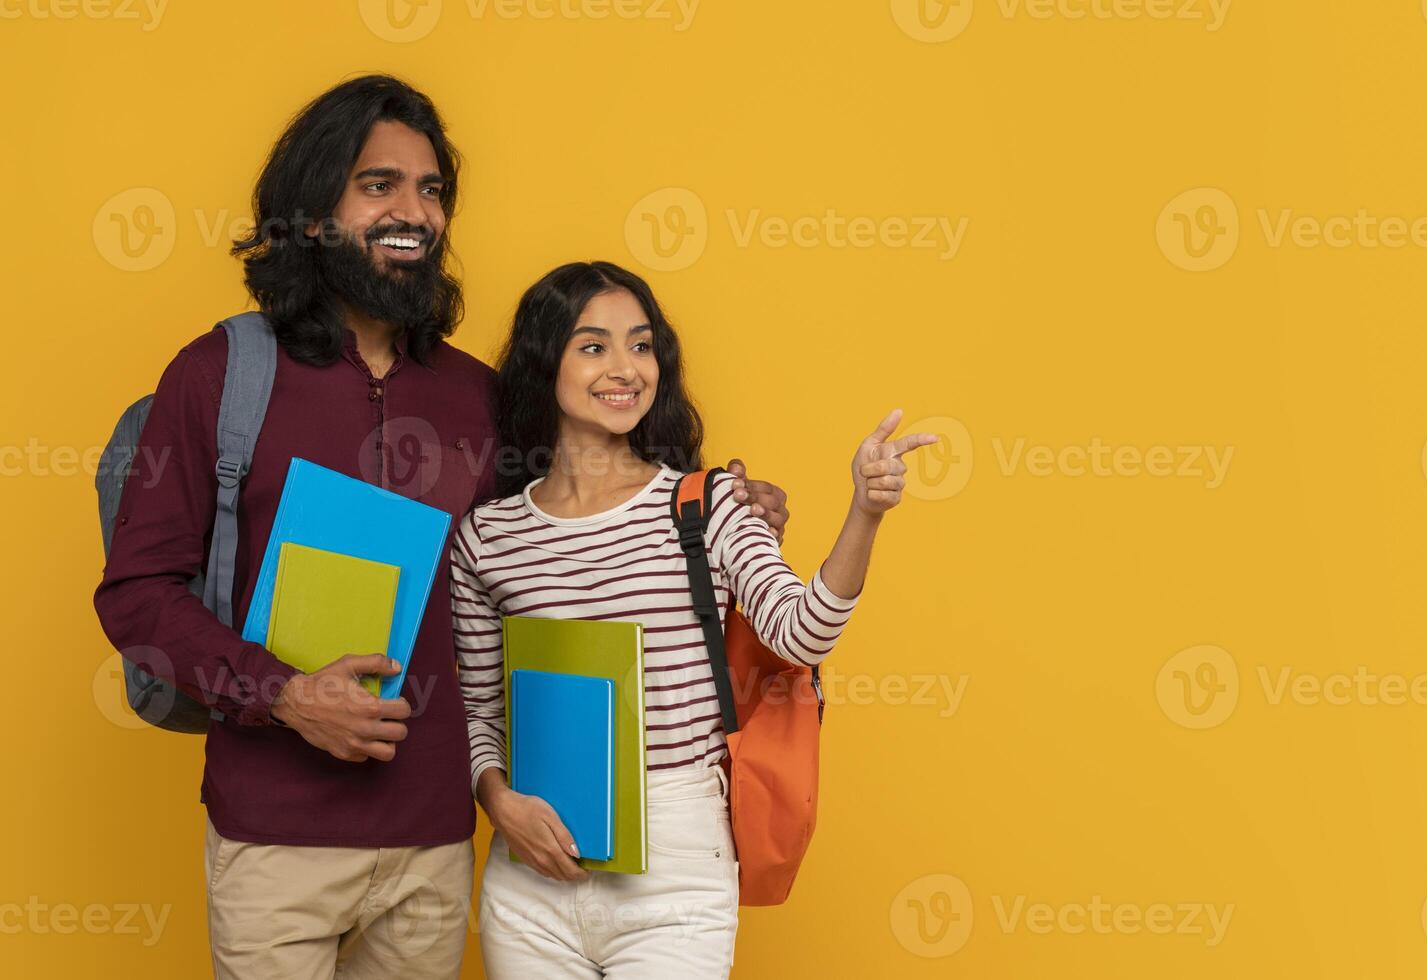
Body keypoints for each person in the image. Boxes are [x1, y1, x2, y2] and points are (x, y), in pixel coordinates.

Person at [92, 77, 792, 979]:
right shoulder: (218, 376)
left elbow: (584, 508)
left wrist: (720, 507)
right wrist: (284, 695)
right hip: (274, 841)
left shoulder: (475, 394)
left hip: (435, 847)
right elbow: (136, 594)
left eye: (431, 191)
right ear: (310, 214)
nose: (413, 211)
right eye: (378, 185)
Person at [451, 260, 936, 977]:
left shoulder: (705, 505)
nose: (625, 368)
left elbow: (801, 631)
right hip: (532, 865)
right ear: (542, 360)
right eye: (594, 346)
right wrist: (498, 801)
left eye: (642, 345)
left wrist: (864, 510)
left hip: (675, 861)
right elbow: (479, 708)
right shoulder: (488, 535)